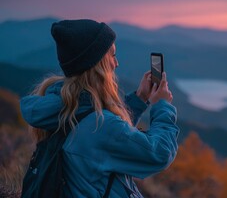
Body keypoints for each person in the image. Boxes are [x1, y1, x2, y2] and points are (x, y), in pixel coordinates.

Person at [20, 19, 179, 197]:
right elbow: (159, 153)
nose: (116, 63)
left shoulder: (64, 108)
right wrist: (162, 106)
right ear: (98, 64)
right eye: (112, 55)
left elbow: (109, 139)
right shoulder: (100, 126)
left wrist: (140, 98)